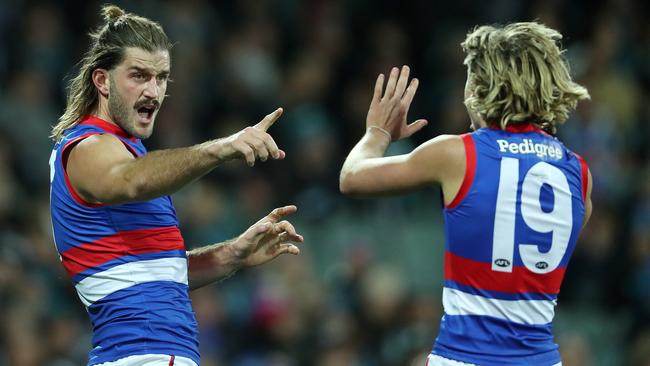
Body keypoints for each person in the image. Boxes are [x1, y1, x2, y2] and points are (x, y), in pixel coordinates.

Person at [49, 5, 303, 366]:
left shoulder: (125, 152)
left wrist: (233, 254)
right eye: (138, 75)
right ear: (102, 81)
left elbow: (156, 272)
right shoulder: (88, 147)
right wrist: (222, 147)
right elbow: (133, 181)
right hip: (143, 355)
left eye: (161, 77)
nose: (153, 91)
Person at [340, 22, 592, 365]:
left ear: (480, 87)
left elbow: (352, 178)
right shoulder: (579, 173)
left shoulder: (457, 154)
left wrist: (377, 132)